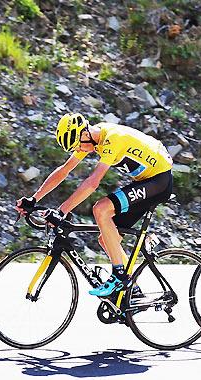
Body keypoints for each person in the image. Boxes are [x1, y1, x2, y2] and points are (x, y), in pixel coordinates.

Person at [15, 112, 173, 297]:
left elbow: (92, 183)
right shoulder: (91, 138)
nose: (80, 150)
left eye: (79, 145)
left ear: (85, 134)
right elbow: (64, 170)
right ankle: (133, 291)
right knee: (106, 238)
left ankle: (119, 276)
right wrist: (34, 199)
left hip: (159, 181)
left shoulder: (111, 139)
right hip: (145, 181)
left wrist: (62, 211)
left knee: (101, 208)